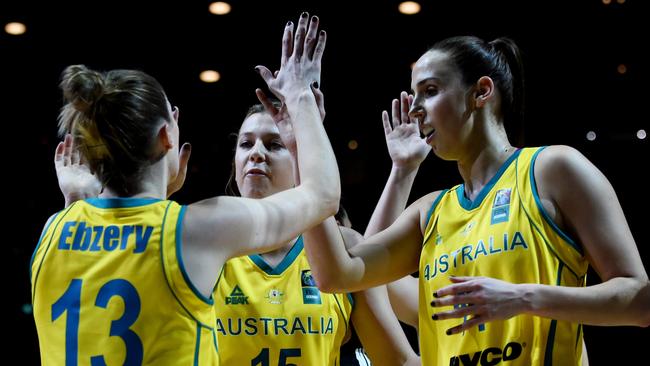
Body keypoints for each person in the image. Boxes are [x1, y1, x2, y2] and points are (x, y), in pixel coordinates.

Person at [301, 36, 650, 365]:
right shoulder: (430, 210)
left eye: (430, 91)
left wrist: (523, 298)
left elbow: (640, 300)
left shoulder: (553, 169)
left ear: (481, 92)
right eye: (413, 95)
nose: (416, 110)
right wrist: (303, 131)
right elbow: (340, 274)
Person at [30, 12, 341, 365]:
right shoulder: (198, 228)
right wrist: (301, 96)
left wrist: (76, 202)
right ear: (166, 137)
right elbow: (324, 194)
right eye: (173, 117)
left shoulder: (53, 229)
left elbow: (123, 250)